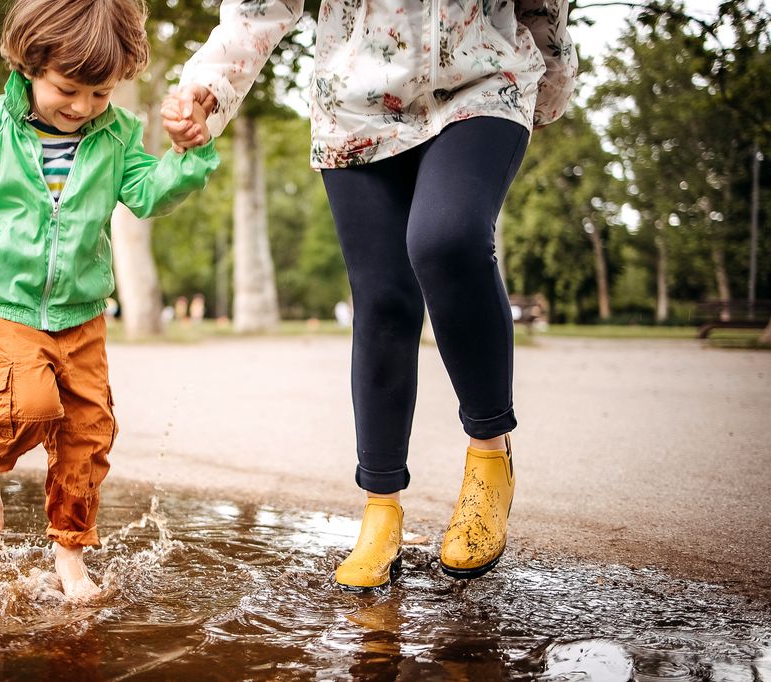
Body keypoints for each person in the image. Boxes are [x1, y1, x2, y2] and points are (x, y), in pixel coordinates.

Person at [163, 0, 576, 587]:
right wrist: (208, 85)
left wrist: (553, 75)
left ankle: (489, 456)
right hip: (358, 101)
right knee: (382, 301)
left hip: (483, 80)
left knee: (446, 239)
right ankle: (381, 507)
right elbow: (260, 7)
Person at [0, 0, 217, 599]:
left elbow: (148, 192)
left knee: (88, 433)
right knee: (27, 402)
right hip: (6, 305)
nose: (83, 108)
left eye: (101, 94)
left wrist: (186, 155)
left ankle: (70, 556)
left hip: (82, 314)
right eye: (69, 89)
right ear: (29, 64)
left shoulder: (118, 135)